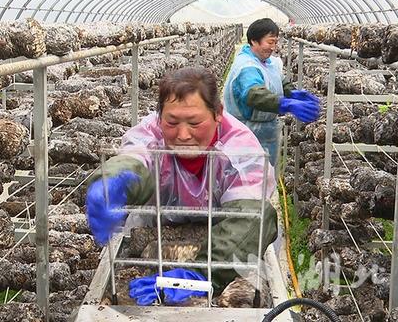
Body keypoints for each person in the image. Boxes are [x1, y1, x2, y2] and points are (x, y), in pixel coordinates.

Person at [85, 67, 278, 306]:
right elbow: (135, 157)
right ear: (160, 116)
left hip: (224, 241)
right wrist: (113, 182)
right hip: (156, 233)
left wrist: (199, 274)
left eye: (195, 123)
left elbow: (252, 217)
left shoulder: (240, 148)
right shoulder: (151, 134)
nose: (183, 134)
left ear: (217, 113)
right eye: (172, 122)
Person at [223, 18, 320, 168]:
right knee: (246, 183)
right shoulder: (246, 66)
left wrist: (291, 92)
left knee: (264, 181)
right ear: (254, 41)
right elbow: (254, 94)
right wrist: (285, 104)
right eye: (270, 42)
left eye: (275, 42)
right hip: (246, 135)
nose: (273, 47)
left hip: (265, 134)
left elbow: (278, 80)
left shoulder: (268, 63)